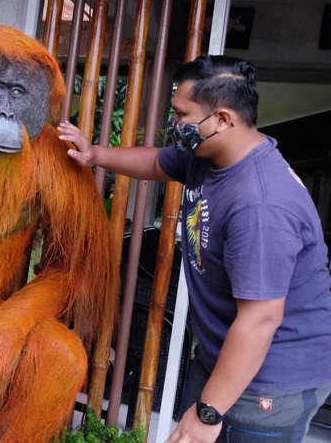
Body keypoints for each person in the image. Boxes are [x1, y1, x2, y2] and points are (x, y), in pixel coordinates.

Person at [57, 55, 331, 443]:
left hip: (272, 378)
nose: (175, 125)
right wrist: (95, 155)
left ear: (222, 119)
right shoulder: (212, 156)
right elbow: (156, 162)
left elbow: (260, 321)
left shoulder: (260, 204)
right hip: (222, 355)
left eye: (182, 114)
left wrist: (208, 412)